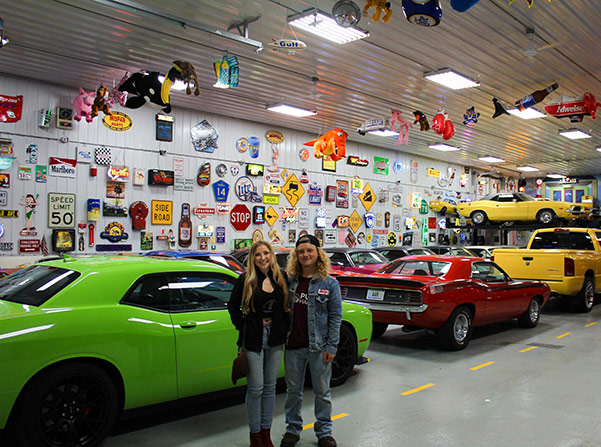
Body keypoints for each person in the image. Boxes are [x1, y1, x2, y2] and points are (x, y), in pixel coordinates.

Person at [280, 234, 342, 447]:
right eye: (301, 251)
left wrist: (332, 346)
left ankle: (324, 432)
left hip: (319, 347)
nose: (305, 254)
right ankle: (292, 430)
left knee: (322, 392)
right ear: (296, 256)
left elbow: (336, 317)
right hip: (293, 345)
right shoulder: (290, 281)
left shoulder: (330, 284)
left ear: (318, 254)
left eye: (309, 250)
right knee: (293, 392)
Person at [228, 240, 290, 447]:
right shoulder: (246, 279)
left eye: (266, 253)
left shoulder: (281, 277)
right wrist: (243, 326)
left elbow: (287, 305)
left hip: (275, 338)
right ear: (252, 258)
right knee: (255, 388)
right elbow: (232, 306)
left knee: (270, 388)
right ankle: (255, 436)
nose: (263, 258)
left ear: (271, 255)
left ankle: (266, 433)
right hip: (254, 338)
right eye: (258, 254)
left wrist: (284, 327)